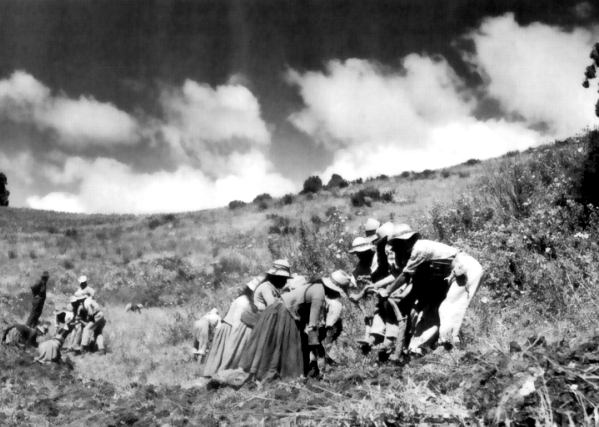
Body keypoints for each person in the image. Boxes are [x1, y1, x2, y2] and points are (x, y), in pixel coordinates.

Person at [379, 224, 484, 356]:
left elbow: (406, 275)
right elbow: (415, 280)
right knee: (429, 310)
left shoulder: (420, 249)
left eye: (399, 243)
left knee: (449, 307)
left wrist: (388, 290)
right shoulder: (412, 251)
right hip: (450, 275)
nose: (398, 247)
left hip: (466, 269)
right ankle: (419, 348)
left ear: (406, 240)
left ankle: (447, 344)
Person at [239, 270, 352, 381]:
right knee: (286, 347)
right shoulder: (319, 294)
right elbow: (313, 324)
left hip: (279, 310)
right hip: (284, 314)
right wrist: (315, 346)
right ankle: (276, 377)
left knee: (275, 345)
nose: (337, 295)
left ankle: (266, 375)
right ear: (333, 289)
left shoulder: (317, 286)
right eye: (338, 292)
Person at [203, 278, 258, 376]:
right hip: (229, 328)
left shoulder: (245, 300)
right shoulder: (243, 302)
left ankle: (218, 374)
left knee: (224, 354)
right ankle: (217, 375)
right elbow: (236, 321)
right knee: (226, 354)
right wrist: (234, 337)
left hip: (231, 327)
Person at [239, 259, 291, 328]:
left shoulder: (272, 287)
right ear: (277, 277)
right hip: (253, 324)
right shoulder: (266, 287)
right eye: (284, 278)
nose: (285, 282)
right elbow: (273, 307)